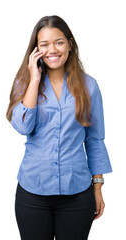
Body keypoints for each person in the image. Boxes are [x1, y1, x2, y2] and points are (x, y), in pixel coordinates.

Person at [6, 15, 112, 240]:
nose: (52, 49)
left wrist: (98, 187)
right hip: (33, 193)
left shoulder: (89, 86)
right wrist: (34, 80)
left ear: (70, 45)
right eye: (44, 44)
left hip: (77, 194)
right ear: (36, 49)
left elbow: (94, 139)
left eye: (59, 42)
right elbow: (23, 127)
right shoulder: (24, 84)